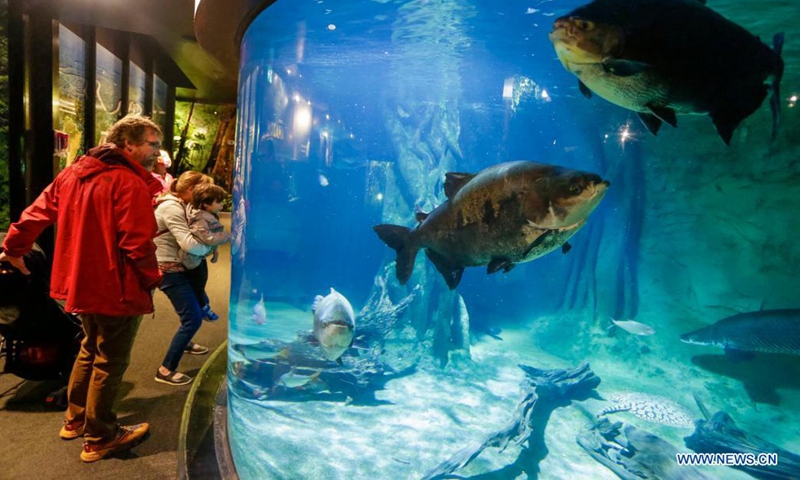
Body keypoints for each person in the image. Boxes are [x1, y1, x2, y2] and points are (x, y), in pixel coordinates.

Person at [0, 114, 164, 463]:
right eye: (152, 143)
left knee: (89, 348)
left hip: (80, 286)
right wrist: (153, 278)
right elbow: (137, 243)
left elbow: (35, 214)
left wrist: (12, 249)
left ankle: (75, 419)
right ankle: (101, 436)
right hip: (116, 288)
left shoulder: (73, 173)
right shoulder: (128, 182)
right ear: (128, 143)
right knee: (110, 360)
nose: (156, 151)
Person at [153, 171, 215, 386]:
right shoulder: (171, 207)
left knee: (195, 305)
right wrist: (210, 246)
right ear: (190, 190)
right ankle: (165, 369)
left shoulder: (181, 205)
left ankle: (186, 342)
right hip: (169, 269)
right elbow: (188, 243)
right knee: (193, 318)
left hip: (180, 265)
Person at [180, 183, 231, 322]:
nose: (221, 204)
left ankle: (201, 304)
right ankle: (202, 307)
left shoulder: (209, 215)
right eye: (218, 201)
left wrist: (215, 251)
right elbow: (208, 238)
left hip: (199, 256)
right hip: (192, 258)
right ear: (205, 204)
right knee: (198, 282)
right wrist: (229, 236)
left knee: (201, 280)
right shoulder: (200, 218)